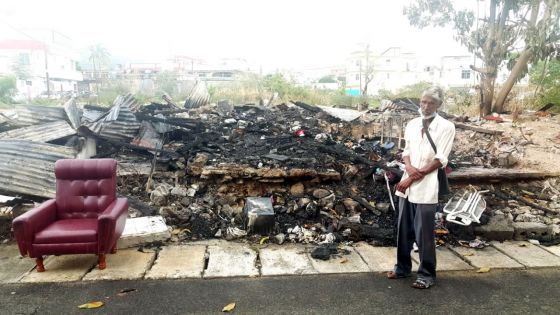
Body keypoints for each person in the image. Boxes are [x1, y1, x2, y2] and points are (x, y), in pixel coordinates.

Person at [387, 86, 455, 289]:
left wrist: (412, 177)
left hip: (426, 185)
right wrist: (407, 167)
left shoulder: (446, 126)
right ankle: (402, 268)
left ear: (439, 105)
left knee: (424, 233)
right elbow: (406, 150)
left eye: (431, 103)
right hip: (407, 183)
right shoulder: (413, 124)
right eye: (423, 102)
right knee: (403, 229)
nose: (425, 106)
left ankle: (426, 274)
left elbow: (440, 159)